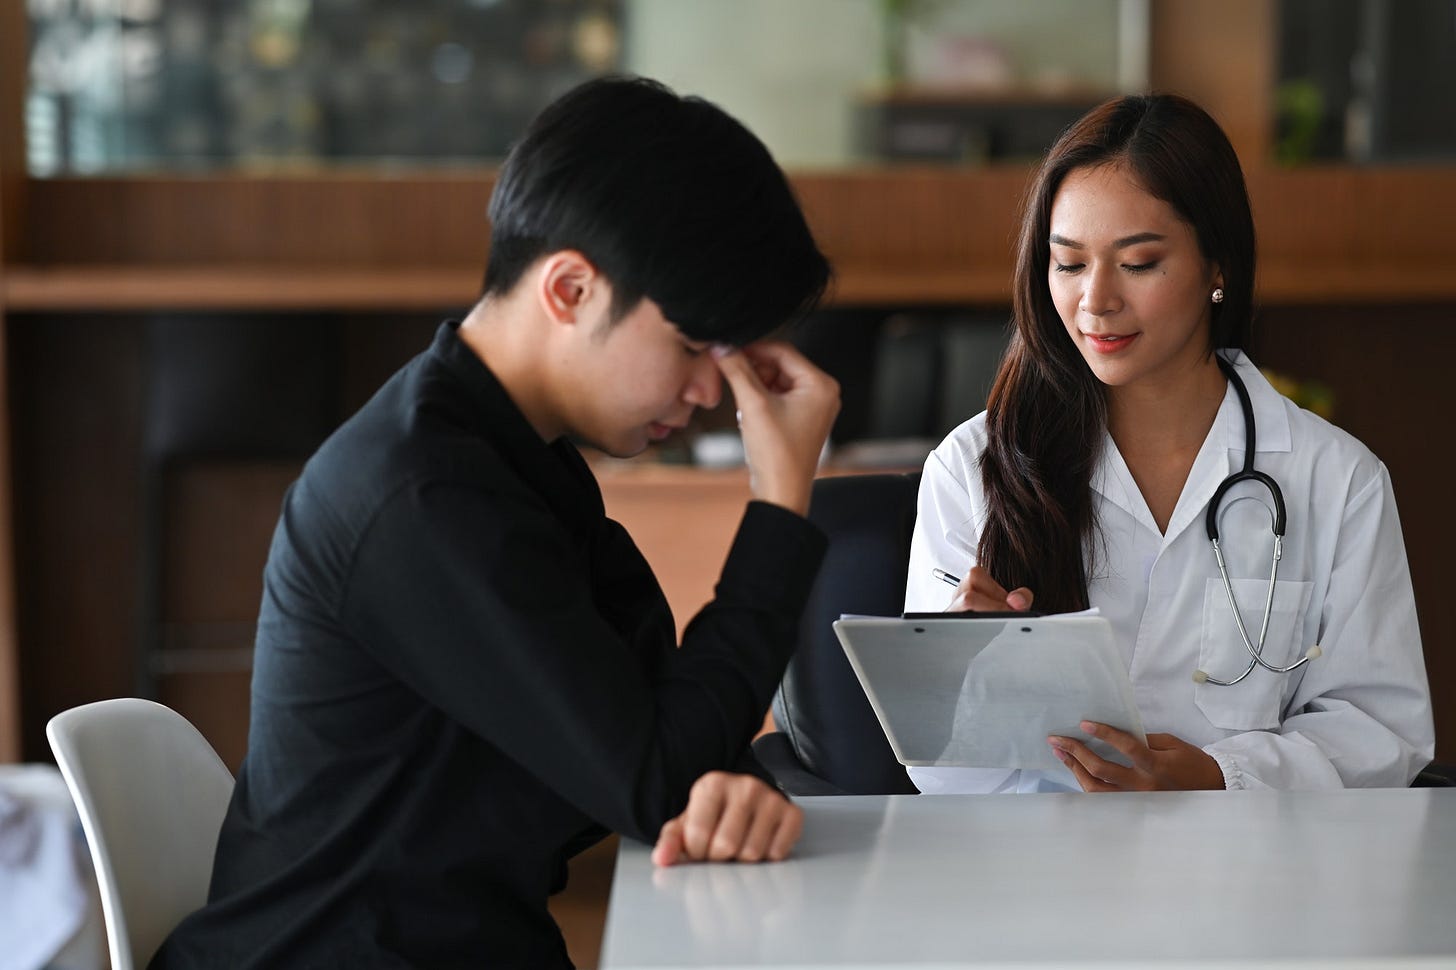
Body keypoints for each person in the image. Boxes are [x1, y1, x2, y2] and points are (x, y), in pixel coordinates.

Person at [150, 76, 840, 968]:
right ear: (571, 289)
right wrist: (780, 502)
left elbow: (659, 730)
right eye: (690, 347)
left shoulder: (519, 459)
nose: (712, 392)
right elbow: (651, 773)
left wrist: (726, 786)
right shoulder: (426, 493)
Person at [904, 93, 1433, 794]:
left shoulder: (1336, 479)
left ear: (1217, 266)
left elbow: (1382, 733)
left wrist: (1220, 775)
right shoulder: (973, 469)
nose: (1096, 301)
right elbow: (936, 774)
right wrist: (964, 678)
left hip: (1251, 876)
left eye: (1139, 262)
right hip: (1040, 879)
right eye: (1068, 264)